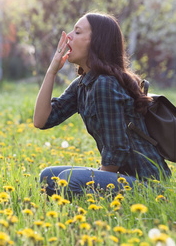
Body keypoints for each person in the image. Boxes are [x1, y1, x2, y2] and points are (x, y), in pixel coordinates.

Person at [34, 12, 171, 198]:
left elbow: (116, 149)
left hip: (147, 183)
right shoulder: (82, 84)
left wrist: (96, 179)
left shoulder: (105, 84)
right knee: (48, 177)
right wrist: (52, 70)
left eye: (77, 32)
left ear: (96, 41)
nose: (68, 38)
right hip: (122, 177)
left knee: (69, 180)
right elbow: (41, 120)